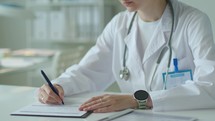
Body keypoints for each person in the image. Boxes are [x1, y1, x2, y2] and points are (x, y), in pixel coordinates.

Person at [37, 0, 215, 113]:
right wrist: (58, 85)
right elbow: (88, 71)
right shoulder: (119, 23)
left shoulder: (193, 21)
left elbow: (210, 87)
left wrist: (136, 100)